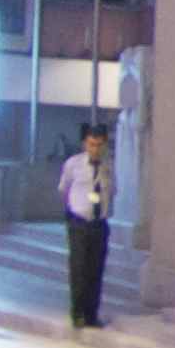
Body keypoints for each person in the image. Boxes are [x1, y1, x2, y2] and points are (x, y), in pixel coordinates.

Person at [57, 123, 114, 335]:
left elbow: (112, 191)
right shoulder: (73, 164)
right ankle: (78, 312)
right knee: (79, 268)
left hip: (99, 224)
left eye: (99, 145)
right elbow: (64, 189)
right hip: (79, 222)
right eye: (92, 144)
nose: (95, 149)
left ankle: (92, 313)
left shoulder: (108, 166)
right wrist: (73, 211)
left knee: (95, 270)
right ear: (85, 144)